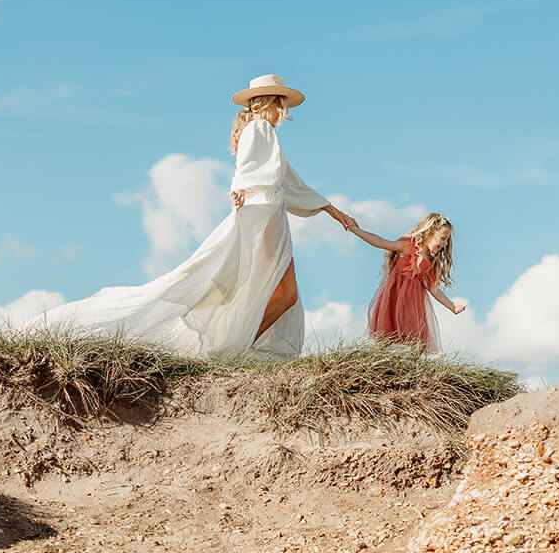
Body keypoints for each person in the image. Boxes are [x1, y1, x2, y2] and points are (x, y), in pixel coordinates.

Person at [38, 75, 356, 358]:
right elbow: (249, 169)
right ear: (271, 103)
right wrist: (240, 190)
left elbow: (291, 181)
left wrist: (332, 211)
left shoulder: (262, 133)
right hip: (265, 217)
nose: (282, 112)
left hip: (269, 216)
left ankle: (239, 346)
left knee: (280, 294)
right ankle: (237, 348)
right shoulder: (259, 128)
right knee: (284, 294)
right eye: (281, 104)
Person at [349, 213, 465, 351]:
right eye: (443, 238)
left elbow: (434, 289)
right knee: (386, 333)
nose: (445, 243)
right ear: (429, 233)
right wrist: (357, 231)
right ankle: (381, 360)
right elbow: (381, 242)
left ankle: (415, 367)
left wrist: (451, 306)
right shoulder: (408, 246)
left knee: (415, 339)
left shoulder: (430, 263)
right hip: (394, 298)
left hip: (413, 306)